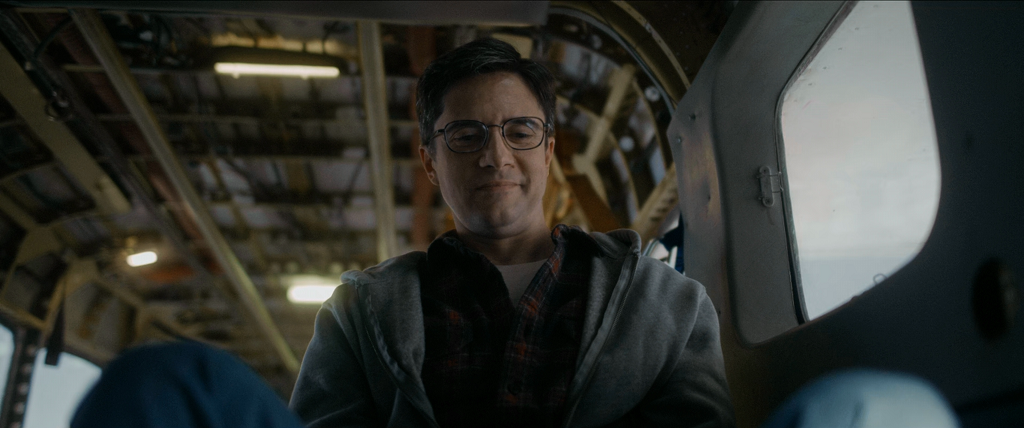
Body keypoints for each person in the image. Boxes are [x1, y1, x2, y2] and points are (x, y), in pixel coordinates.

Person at [287, 37, 734, 427]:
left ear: (548, 152)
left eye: (520, 132)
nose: (496, 157)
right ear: (430, 163)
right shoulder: (356, 317)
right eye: (467, 136)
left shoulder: (668, 305)